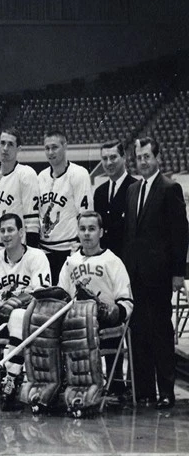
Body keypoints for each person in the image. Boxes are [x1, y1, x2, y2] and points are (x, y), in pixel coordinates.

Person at [22, 211, 134, 414]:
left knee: (83, 322)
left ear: (101, 232)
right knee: (40, 319)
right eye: (82, 229)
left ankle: (89, 390)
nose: (87, 233)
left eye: (92, 229)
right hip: (74, 321)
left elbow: (126, 303)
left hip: (103, 321)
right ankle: (49, 384)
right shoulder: (71, 262)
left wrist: (106, 310)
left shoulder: (113, 261)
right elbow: (61, 297)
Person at [123, 137, 188, 409]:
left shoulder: (170, 188)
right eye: (139, 157)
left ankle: (166, 391)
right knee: (139, 333)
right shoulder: (132, 190)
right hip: (135, 275)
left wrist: (178, 273)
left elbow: (180, 234)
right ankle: (145, 391)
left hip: (160, 275)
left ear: (157, 158)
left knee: (161, 332)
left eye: (147, 156)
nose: (143, 162)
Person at [0, 212, 51, 410]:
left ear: (21, 232)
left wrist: (18, 301)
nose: (6, 235)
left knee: (18, 315)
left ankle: (12, 377)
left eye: (10, 230)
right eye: (3, 231)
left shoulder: (37, 256)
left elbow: (43, 293)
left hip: (27, 319)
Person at [0, 128, 40, 269]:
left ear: (19, 149)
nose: (5, 148)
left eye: (10, 144)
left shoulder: (26, 174)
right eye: (2, 143)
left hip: (14, 253)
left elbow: (32, 221)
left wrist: (30, 255)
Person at [38, 130, 92, 282]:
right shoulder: (41, 177)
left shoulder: (79, 174)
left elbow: (86, 213)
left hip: (68, 249)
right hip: (44, 250)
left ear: (65, 146)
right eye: (47, 148)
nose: (50, 152)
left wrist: (81, 244)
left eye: (54, 147)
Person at [93, 140, 135, 257]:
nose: (109, 163)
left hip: (129, 259)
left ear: (124, 157)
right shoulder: (99, 192)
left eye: (113, 157)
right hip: (105, 259)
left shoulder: (136, 188)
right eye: (104, 159)